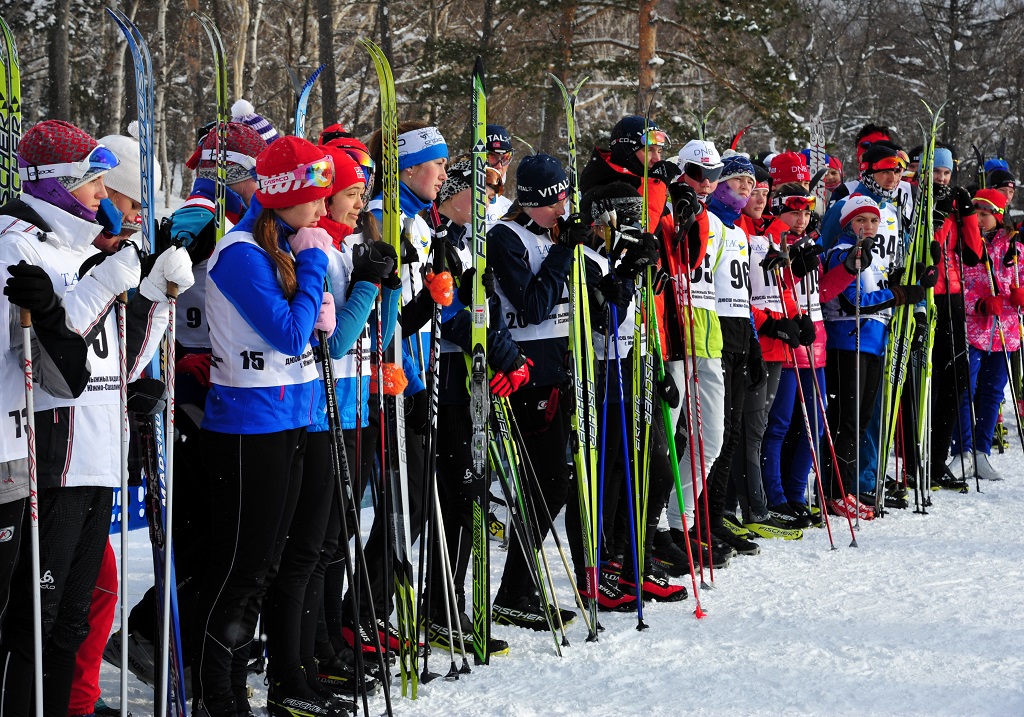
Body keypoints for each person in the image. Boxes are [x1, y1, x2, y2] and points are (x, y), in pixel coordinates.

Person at [0, 119, 191, 717]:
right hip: (48, 456)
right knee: (35, 620)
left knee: (70, 621)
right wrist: (103, 284)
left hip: (98, 455)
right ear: (58, 184)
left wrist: (156, 301)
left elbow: (121, 363)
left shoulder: (79, 248)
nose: (105, 199)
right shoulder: (18, 245)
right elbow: (62, 367)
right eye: (94, 185)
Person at [103, 118, 273, 690]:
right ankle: (157, 631)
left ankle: (174, 631)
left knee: (210, 531)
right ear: (233, 176)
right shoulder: (200, 218)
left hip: (208, 384)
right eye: (258, 174)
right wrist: (174, 362)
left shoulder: (227, 221)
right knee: (202, 530)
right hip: (190, 393)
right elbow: (156, 290)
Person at [191, 135, 339, 717]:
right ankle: (217, 696)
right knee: (243, 567)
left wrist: (316, 293)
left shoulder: (278, 244)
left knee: (270, 563)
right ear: (286, 197)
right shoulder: (241, 253)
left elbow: (306, 336)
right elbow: (289, 334)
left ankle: (253, 687)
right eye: (315, 199)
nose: (324, 212)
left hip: (292, 415)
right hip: (249, 426)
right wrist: (312, 271)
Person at [488, 153, 580, 629]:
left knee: (550, 484)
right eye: (556, 201)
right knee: (544, 484)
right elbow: (534, 305)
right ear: (532, 202)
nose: (563, 209)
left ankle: (517, 588)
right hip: (524, 375)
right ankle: (513, 590)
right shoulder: (505, 237)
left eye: (566, 197)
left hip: (558, 370)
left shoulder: (553, 233)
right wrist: (566, 252)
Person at [820, 195, 924, 513]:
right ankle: (835, 490)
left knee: (862, 421)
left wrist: (906, 282)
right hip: (847, 343)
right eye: (860, 220)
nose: (867, 226)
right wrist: (900, 294)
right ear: (847, 224)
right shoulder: (843, 252)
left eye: (873, 220)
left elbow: (876, 292)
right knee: (845, 423)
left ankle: (849, 488)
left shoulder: (873, 257)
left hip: (873, 345)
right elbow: (855, 301)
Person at [948, 188, 1021, 482]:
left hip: (1005, 333)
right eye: (974, 212)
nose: (977, 218)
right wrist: (977, 304)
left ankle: (981, 452)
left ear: (998, 217)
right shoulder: (966, 246)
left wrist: (1015, 298)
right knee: (966, 389)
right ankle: (962, 451)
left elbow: (1017, 287)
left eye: (984, 214)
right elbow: (956, 285)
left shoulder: (1015, 250)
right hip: (973, 329)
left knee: (992, 394)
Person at [484, 125, 515, 223]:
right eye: (492, 157)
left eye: (505, 158)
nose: (499, 166)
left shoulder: (507, 207)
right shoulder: (460, 201)